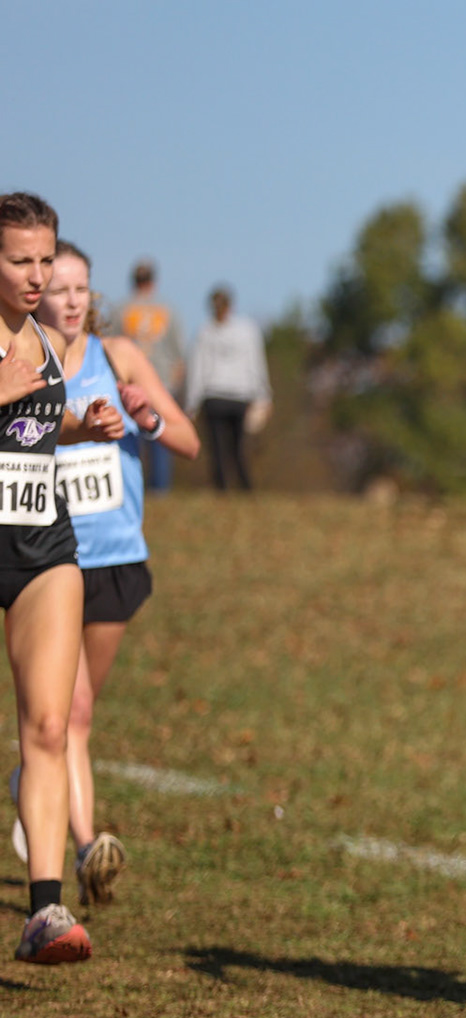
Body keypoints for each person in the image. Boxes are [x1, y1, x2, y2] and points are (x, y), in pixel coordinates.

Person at [27, 241, 200, 903]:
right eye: (57, 288)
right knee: (66, 714)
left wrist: (144, 416)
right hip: (49, 556)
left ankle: (34, 784)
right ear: (34, 292)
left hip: (117, 558)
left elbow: (187, 440)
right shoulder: (21, 363)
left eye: (80, 289)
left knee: (78, 716)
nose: (70, 300)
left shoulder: (119, 356)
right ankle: (85, 849)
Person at [0, 192, 128, 964]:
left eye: (46, 260)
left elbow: (35, 424)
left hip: (44, 541)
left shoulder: (44, 339)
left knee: (49, 725)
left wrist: (89, 422)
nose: (37, 275)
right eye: (20, 260)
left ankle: (44, 910)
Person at [184, 285, 270, 492]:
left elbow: (198, 369)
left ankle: (224, 487)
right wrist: (263, 393)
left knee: (219, 447)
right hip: (237, 396)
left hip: (217, 397)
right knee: (237, 445)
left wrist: (191, 403)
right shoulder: (246, 330)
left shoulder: (205, 332)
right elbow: (256, 363)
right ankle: (242, 487)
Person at [112, 259, 184, 493]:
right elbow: (178, 352)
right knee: (161, 435)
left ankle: (133, 487)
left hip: (129, 383)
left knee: (130, 438)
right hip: (161, 382)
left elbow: (109, 347)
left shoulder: (120, 309)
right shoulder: (169, 309)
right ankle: (160, 489)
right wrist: (176, 383)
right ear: (153, 280)